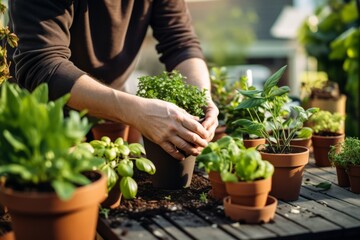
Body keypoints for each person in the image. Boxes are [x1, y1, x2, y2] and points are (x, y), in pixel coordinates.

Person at [9, 0, 219, 161]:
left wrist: (201, 97)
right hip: (33, 116)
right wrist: (136, 112)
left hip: (108, 109)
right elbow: (42, 64)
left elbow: (180, 42)